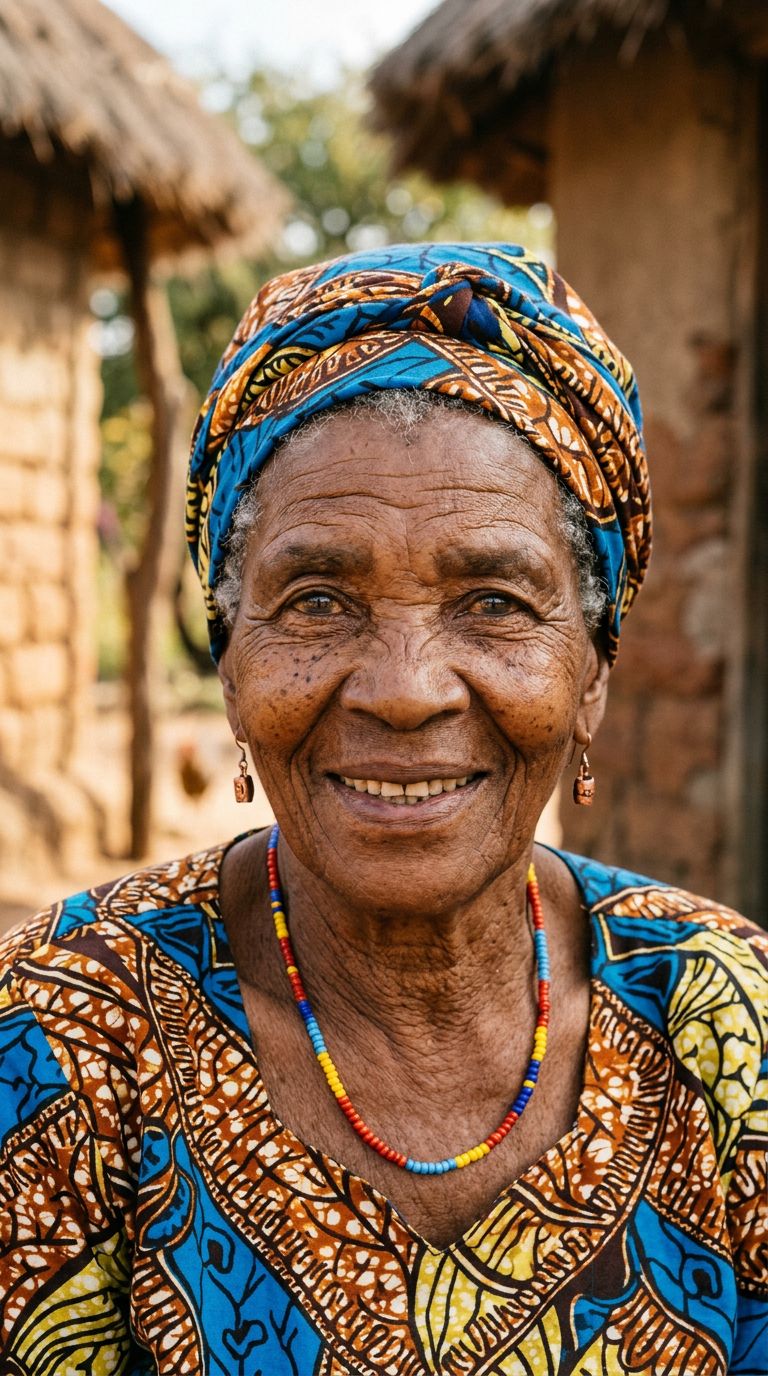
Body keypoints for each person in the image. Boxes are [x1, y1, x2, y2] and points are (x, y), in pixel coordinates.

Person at [0, 243, 765, 1375]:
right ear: (230, 660)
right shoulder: (57, 1040)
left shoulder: (734, 1025)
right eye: (315, 601)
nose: (405, 689)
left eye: (494, 602)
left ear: (594, 671)